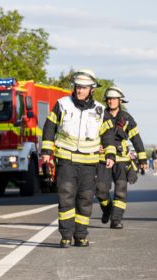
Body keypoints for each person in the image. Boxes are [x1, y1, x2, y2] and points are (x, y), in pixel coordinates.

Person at [41, 69, 117, 248]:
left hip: (89, 163)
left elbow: (108, 135)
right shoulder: (62, 104)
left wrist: (110, 154)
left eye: (84, 87)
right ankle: (66, 235)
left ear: (92, 89)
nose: (80, 90)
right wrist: (46, 151)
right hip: (66, 160)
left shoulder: (100, 110)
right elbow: (49, 127)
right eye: (77, 87)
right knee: (66, 197)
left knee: (85, 199)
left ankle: (81, 235)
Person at [96, 86, 147, 229]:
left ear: (120, 101)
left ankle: (116, 220)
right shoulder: (99, 116)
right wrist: (95, 146)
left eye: (114, 99)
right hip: (103, 159)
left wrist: (142, 159)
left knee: (120, 191)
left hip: (122, 159)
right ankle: (107, 209)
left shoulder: (127, 118)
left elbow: (136, 139)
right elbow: (90, 134)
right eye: (109, 99)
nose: (111, 101)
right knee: (100, 189)